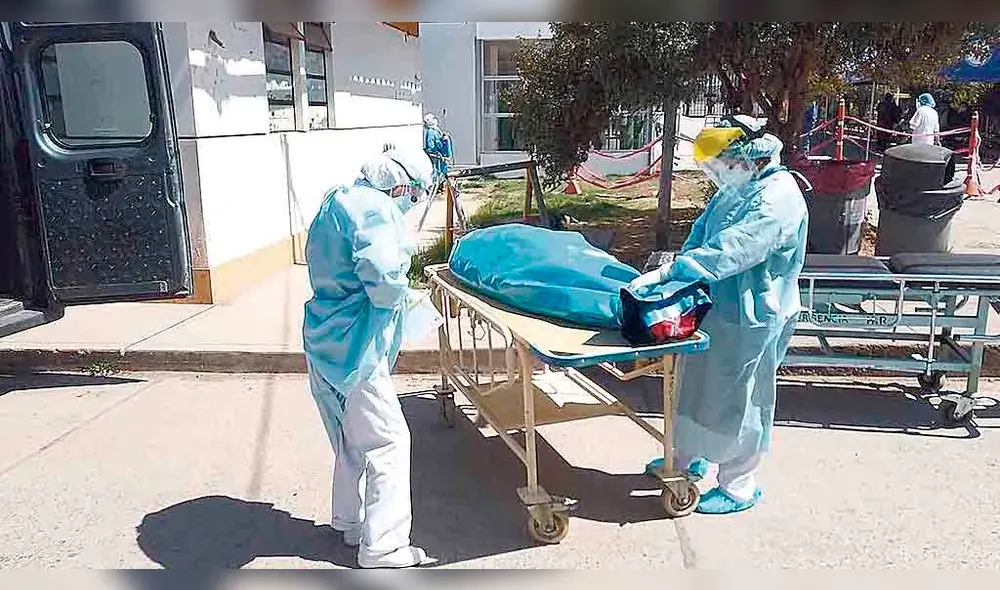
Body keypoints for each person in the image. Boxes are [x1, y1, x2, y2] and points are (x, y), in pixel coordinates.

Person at [629, 115, 808, 515]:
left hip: (755, 313)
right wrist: (671, 272)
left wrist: (676, 272)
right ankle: (690, 459)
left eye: (723, 163)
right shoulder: (734, 188)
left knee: (741, 398)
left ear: (747, 156)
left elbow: (734, 247)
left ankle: (739, 483)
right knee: (697, 386)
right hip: (716, 308)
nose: (719, 173)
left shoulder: (778, 195)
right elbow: (702, 234)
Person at [303, 148, 436, 568]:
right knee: (389, 441)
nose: (410, 205)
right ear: (402, 187)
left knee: (350, 438)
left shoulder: (336, 200)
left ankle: (350, 523)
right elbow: (382, 277)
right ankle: (384, 547)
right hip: (355, 345)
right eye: (413, 197)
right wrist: (406, 300)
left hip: (324, 335)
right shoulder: (376, 208)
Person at [422, 113, 451, 185]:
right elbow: (431, 146)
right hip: (437, 157)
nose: (435, 120)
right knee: (437, 172)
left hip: (441, 156)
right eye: (433, 119)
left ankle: (441, 184)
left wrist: (444, 138)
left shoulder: (435, 130)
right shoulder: (431, 132)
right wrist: (444, 141)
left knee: (442, 172)